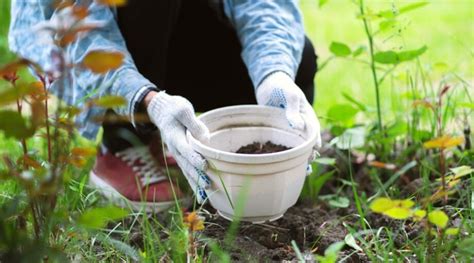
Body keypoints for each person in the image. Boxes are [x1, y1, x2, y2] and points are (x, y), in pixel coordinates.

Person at [9, 0, 321, 211]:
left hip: (173, 32)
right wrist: (148, 101)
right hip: (81, 41)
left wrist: (272, 73)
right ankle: (122, 143)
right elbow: (80, 32)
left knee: (299, 59)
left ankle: (158, 132)